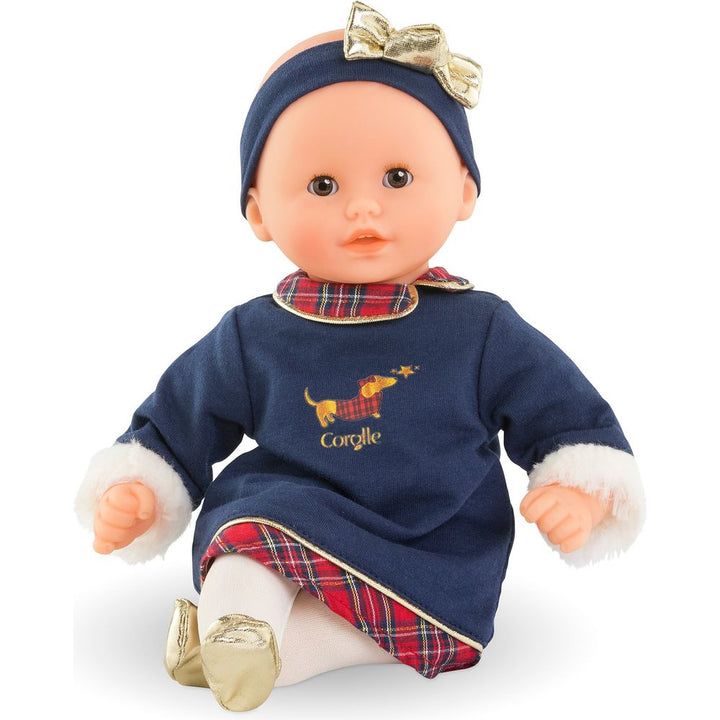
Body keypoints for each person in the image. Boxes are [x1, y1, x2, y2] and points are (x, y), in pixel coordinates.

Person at [76, 3, 645, 712]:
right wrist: (141, 486)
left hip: (433, 539)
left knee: (418, 621)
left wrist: (581, 489)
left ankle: (241, 653)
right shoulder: (257, 331)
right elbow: (180, 417)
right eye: (323, 186)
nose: (363, 209)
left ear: (465, 187)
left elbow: (563, 413)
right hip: (288, 510)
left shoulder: (481, 328)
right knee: (246, 541)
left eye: (397, 177)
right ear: (258, 211)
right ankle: (239, 622)